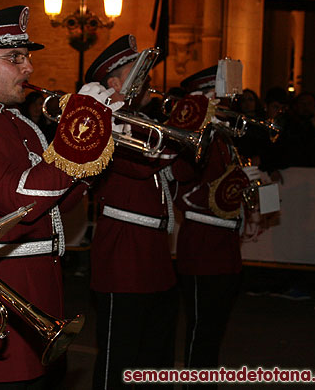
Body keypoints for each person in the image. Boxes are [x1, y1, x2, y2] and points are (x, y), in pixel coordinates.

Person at [0, 5, 118, 389]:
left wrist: (95, 144)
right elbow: (20, 199)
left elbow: (53, 208)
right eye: (14, 58)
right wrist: (78, 134)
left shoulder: (16, 122)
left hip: (39, 292)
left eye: (25, 57)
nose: (28, 68)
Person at [84, 34, 180, 389]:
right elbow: (140, 165)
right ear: (112, 82)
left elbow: (178, 175)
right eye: (136, 71)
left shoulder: (138, 118)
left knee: (155, 355)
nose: (147, 79)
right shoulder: (103, 120)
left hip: (154, 247)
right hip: (123, 248)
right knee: (119, 356)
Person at [170, 69, 257, 388]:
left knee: (215, 328)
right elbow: (180, 185)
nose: (225, 101)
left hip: (225, 243)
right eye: (217, 96)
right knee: (201, 331)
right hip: (203, 243)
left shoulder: (222, 135)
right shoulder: (198, 133)